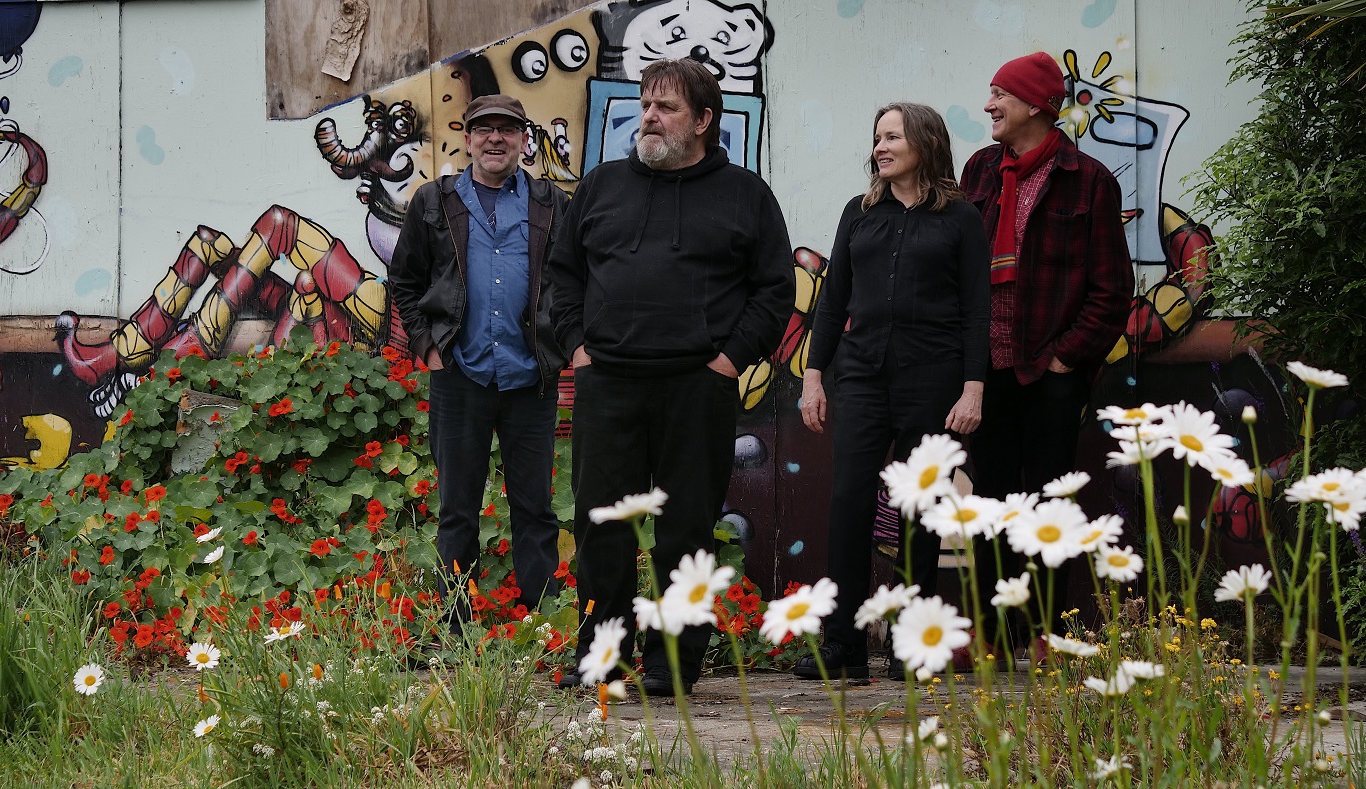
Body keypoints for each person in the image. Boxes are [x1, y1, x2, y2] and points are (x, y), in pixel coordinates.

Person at [548, 59, 794, 695]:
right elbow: (563, 276)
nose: (649, 117)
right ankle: (604, 653)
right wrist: (575, 344)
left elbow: (773, 289)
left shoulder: (745, 194)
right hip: (609, 384)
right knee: (603, 525)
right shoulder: (601, 185)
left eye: (667, 108)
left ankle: (673, 663)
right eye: (645, 104)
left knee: (686, 528)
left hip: (696, 386)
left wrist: (729, 359)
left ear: (704, 121)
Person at [793, 103, 990, 681]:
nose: (880, 146)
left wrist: (973, 389)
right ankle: (844, 645)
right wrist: (812, 376)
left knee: (922, 511)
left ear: (925, 143)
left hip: (934, 380)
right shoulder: (859, 213)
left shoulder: (961, 219)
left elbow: (977, 309)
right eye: (876, 136)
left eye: (892, 136)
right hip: (860, 376)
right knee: (848, 502)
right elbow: (832, 302)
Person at [960, 53, 1133, 655]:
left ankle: (1045, 634)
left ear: (1034, 104)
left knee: (1049, 506)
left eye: (998, 95)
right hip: (986, 370)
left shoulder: (1089, 180)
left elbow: (1112, 289)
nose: (988, 107)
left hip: (1051, 372)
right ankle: (995, 635)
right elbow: (960, 266)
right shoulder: (980, 171)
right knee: (991, 503)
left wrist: (1066, 359)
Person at [387, 94, 571, 630]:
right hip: (460, 376)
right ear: (467, 140)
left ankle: (542, 623)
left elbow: (568, 282)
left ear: (522, 140)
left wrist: (561, 343)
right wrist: (428, 350)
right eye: (484, 130)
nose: (495, 139)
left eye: (507, 130)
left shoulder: (548, 203)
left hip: (529, 378)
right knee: (458, 510)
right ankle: (454, 628)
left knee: (535, 509)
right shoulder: (432, 202)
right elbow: (404, 280)